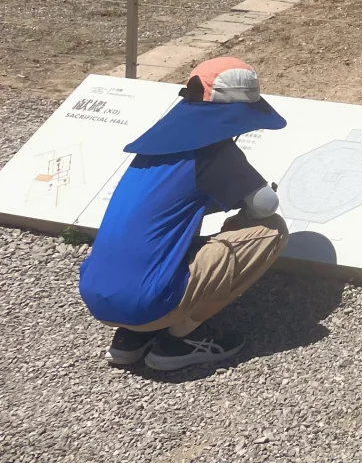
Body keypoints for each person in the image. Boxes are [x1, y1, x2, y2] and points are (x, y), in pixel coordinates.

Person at [78, 57, 289, 371]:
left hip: (97, 295)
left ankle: (131, 338)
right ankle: (180, 339)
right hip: (146, 302)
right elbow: (265, 204)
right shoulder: (213, 151)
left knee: (165, 238)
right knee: (271, 230)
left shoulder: (153, 149)